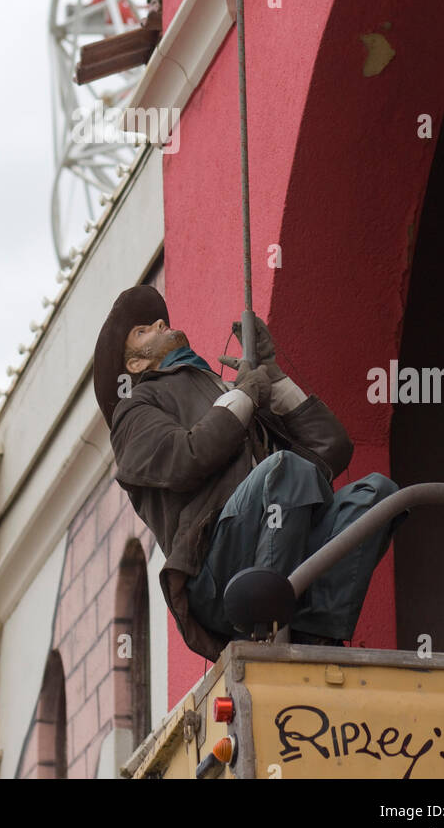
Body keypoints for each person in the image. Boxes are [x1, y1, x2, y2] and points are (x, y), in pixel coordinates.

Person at [93, 284, 403, 663]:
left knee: (377, 496)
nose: (159, 323)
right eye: (142, 332)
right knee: (285, 469)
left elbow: (330, 451)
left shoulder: (230, 389)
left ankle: (317, 633)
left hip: (286, 556)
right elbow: (186, 457)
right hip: (217, 575)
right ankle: (263, 627)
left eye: (157, 321)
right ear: (136, 365)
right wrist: (243, 398)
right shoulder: (136, 410)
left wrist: (272, 377)